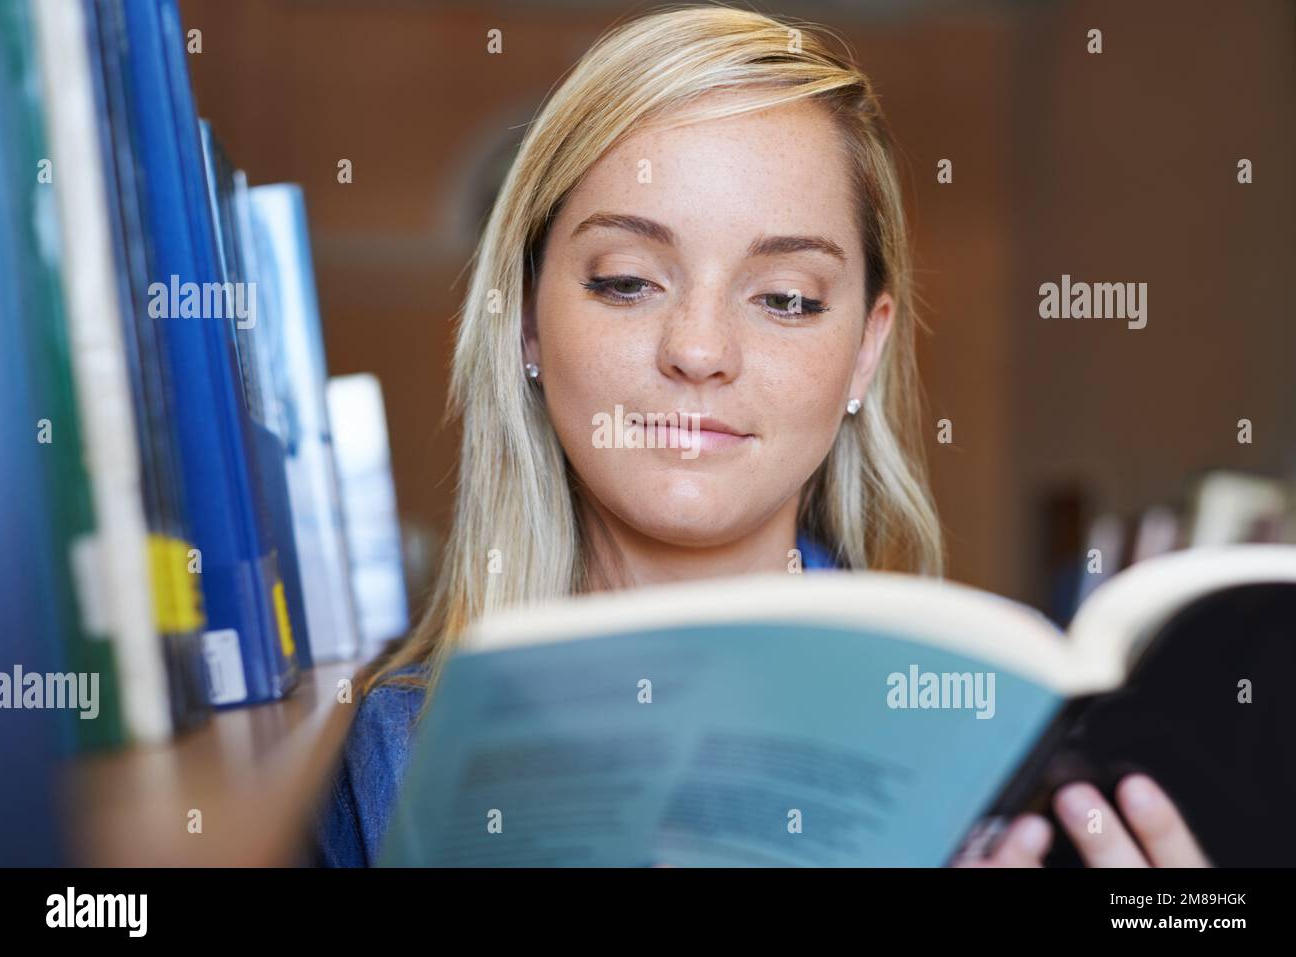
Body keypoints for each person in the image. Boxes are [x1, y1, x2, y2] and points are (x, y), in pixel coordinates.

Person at [313, 4, 1206, 868]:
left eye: (786, 297)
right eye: (627, 280)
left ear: (865, 349)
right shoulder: (382, 754)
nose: (699, 350)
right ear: (526, 324)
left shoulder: (987, 735)